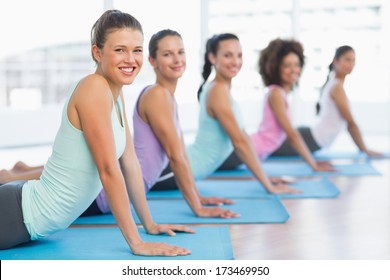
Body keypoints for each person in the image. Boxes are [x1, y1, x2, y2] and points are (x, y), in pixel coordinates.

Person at [0, 10, 194, 256]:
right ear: (97, 52)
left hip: (23, 215)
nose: (131, 59)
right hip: (16, 213)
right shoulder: (93, 88)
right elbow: (109, 171)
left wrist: (149, 225)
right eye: (120, 50)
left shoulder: (116, 93)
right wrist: (136, 242)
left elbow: (130, 164)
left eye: (136, 50)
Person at [84, 29, 239, 218]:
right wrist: (197, 208)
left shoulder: (168, 97)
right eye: (167, 54)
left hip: (112, 192)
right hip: (101, 195)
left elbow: (182, 153)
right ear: (153, 61)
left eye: (180, 52)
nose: (177, 60)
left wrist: (199, 197)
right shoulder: (157, 96)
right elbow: (175, 158)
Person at [183, 34, 300, 194]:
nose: (236, 62)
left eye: (239, 55)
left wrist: (265, 178)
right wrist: (269, 187)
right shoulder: (217, 91)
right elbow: (239, 142)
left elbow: (243, 137)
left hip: (187, 168)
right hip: (182, 170)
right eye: (227, 55)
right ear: (212, 57)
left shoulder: (221, 89)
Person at [220, 38, 335, 172]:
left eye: (296, 64)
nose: (293, 70)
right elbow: (292, 135)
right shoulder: (275, 94)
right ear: (276, 68)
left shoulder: (280, 93)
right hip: (247, 150)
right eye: (287, 65)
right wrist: (313, 165)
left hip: (254, 150)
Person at [271, 45, 383, 158]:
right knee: (268, 147)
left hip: (311, 137)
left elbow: (350, 124)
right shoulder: (336, 88)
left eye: (353, 60)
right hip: (311, 139)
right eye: (347, 59)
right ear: (336, 61)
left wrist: (364, 149)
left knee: (270, 144)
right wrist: (365, 150)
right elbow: (351, 124)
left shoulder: (335, 85)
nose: (351, 64)